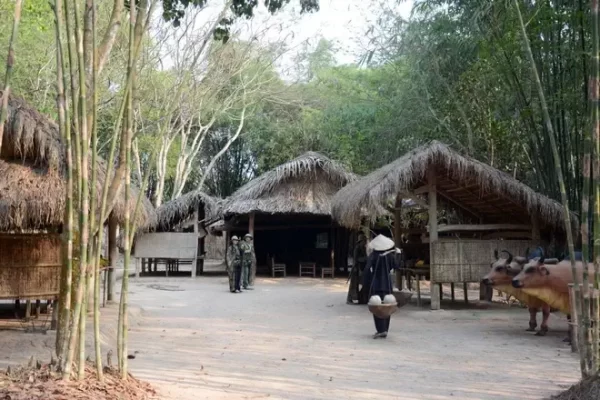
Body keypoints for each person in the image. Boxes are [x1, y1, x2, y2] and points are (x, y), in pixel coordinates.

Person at [361, 234, 401, 339]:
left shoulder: (373, 255)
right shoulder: (390, 256)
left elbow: (367, 270)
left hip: (376, 285)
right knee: (388, 306)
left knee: (377, 306)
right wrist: (399, 254)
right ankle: (385, 330)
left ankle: (380, 330)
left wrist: (365, 283)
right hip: (387, 285)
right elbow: (397, 266)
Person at [347, 233, 367, 304]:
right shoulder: (357, 248)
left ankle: (360, 298)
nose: (365, 242)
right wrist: (364, 259)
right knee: (353, 285)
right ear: (361, 241)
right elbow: (356, 259)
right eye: (364, 241)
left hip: (361, 268)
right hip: (356, 268)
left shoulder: (363, 248)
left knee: (361, 284)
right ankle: (349, 299)